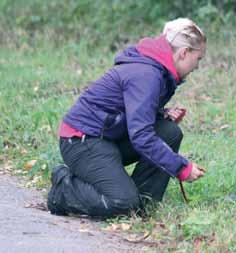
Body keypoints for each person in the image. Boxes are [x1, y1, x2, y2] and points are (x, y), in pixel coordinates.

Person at [47, 18, 206, 218]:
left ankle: (142, 205)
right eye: (198, 59)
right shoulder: (147, 74)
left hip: (107, 137)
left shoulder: (157, 69)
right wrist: (182, 168)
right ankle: (64, 188)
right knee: (122, 202)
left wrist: (159, 114)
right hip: (81, 141)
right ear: (184, 53)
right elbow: (141, 136)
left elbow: (128, 109)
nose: (197, 66)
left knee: (169, 132)